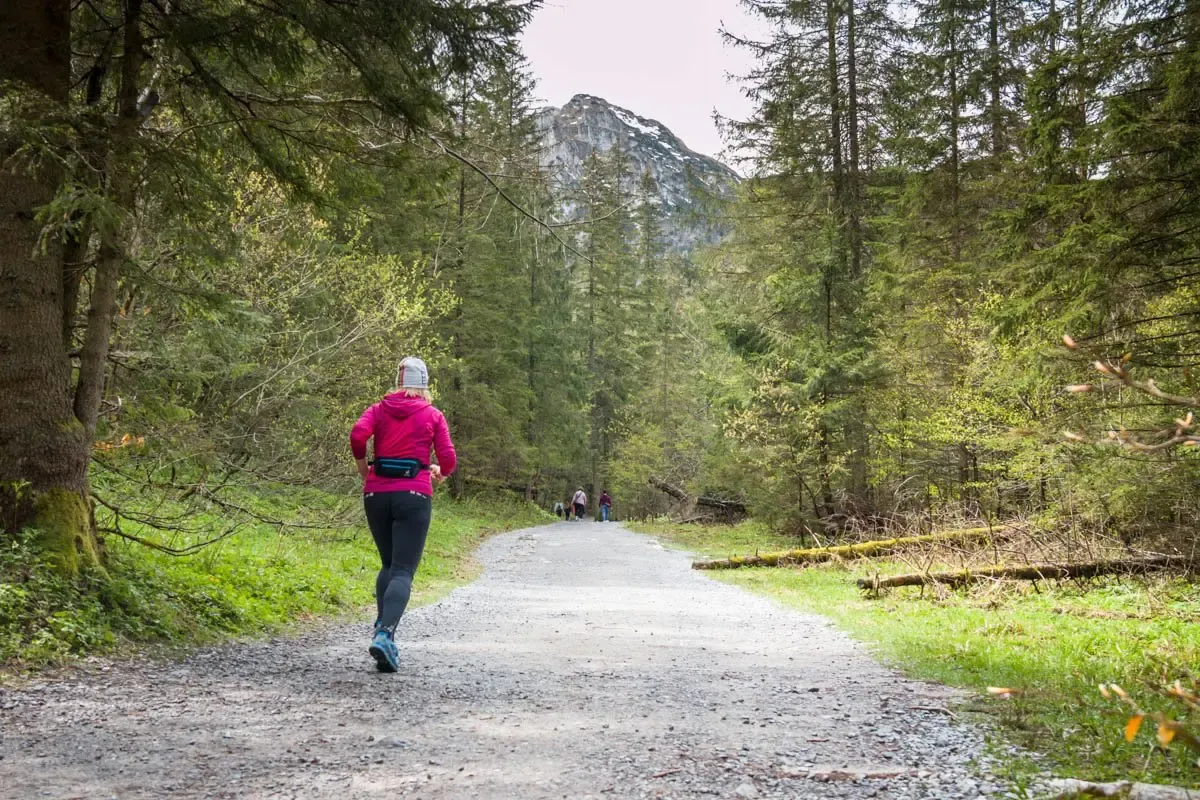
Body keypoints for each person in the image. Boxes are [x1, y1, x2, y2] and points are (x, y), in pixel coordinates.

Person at [350, 356, 456, 673]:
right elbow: (448, 458)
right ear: (424, 385)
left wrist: (362, 469)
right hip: (414, 494)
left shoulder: (378, 409)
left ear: (399, 382)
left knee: (387, 565)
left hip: (376, 494)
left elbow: (358, 435)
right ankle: (384, 634)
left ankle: (384, 634)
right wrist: (440, 471)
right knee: (402, 570)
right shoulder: (432, 415)